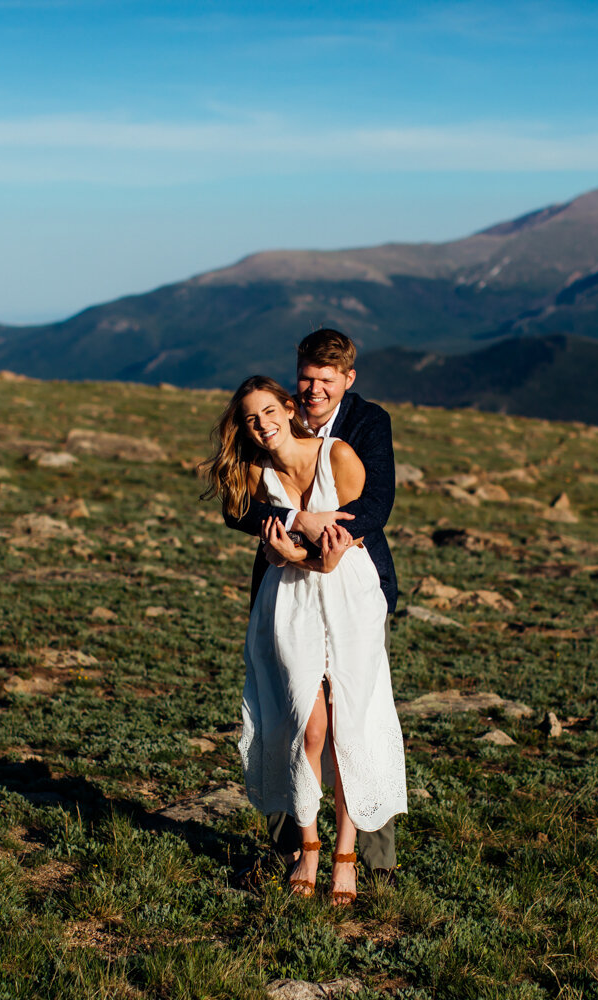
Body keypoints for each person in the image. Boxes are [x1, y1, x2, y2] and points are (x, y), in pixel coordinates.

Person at [202, 375, 407, 905]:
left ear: (288, 408)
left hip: (348, 596)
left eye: (270, 411)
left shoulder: (340, 452)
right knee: (307, 725)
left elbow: (358, 527)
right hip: (289, 604)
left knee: (348, 726)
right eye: (251, 418)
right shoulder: (254, 472)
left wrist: (301, 553)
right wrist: (294, 533)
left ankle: (347, 855)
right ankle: (305, 846)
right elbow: (246, 520)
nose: (263, 424)